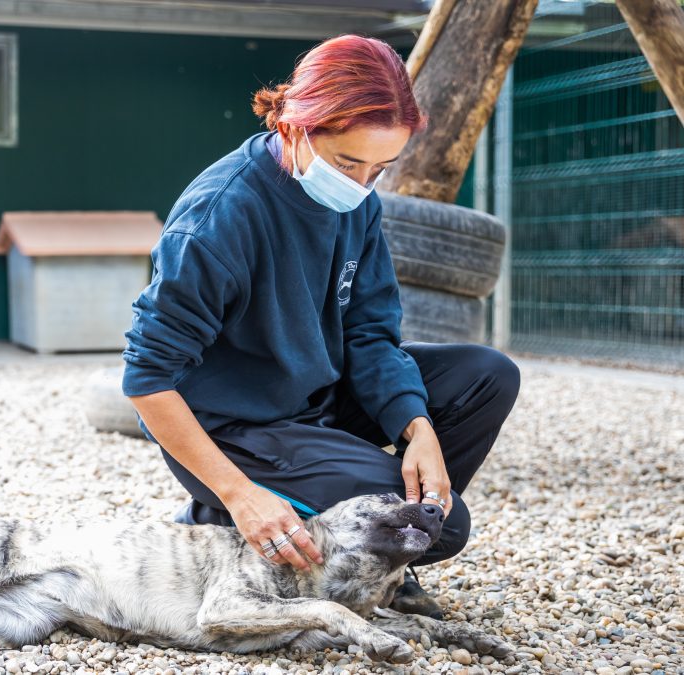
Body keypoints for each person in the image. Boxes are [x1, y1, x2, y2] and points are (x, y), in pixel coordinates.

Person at [121, 34, 520, 616]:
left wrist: (418, 430)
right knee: (449, 526)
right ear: (294, 126)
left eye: (380, 168)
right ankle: (229, 511)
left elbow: (370, 333)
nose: (361, 184)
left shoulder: (358, 201)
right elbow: (145, 378)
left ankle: (376, 548)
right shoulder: (220, 216)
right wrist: (240, 492)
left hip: (318, 402)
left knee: (488, 374)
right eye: (347, 163)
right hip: (237, 431)